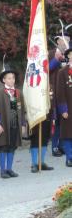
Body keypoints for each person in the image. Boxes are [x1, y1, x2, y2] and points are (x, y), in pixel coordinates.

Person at [0, 62, 26, 178]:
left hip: (14, 124)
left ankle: (9, 169)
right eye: (9, 78)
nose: (11, 80)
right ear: (4, 80)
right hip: (4, 124)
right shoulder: (0, 94)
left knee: (12, 146)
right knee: (3, 146)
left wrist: (22, 124)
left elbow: (22, 110)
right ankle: (3, 170)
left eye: (13, 78)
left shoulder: (18, 93)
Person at [50, 22, 70, 157]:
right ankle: (54, 146)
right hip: (53, 91)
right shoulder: (51, 53)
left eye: (68, 40)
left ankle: (63, 145)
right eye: (64, 40)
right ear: (58, 41)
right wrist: (57, 60)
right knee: (55, 120)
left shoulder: (70, 54)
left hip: (66, 92)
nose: (67, 42)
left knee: (66, 119)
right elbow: (46, 69)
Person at [56, 35, 72, 168]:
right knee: (67, 134)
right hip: (68, 108)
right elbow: (60, 93)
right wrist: (63, 109)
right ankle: (69, 157)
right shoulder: (63, 72)